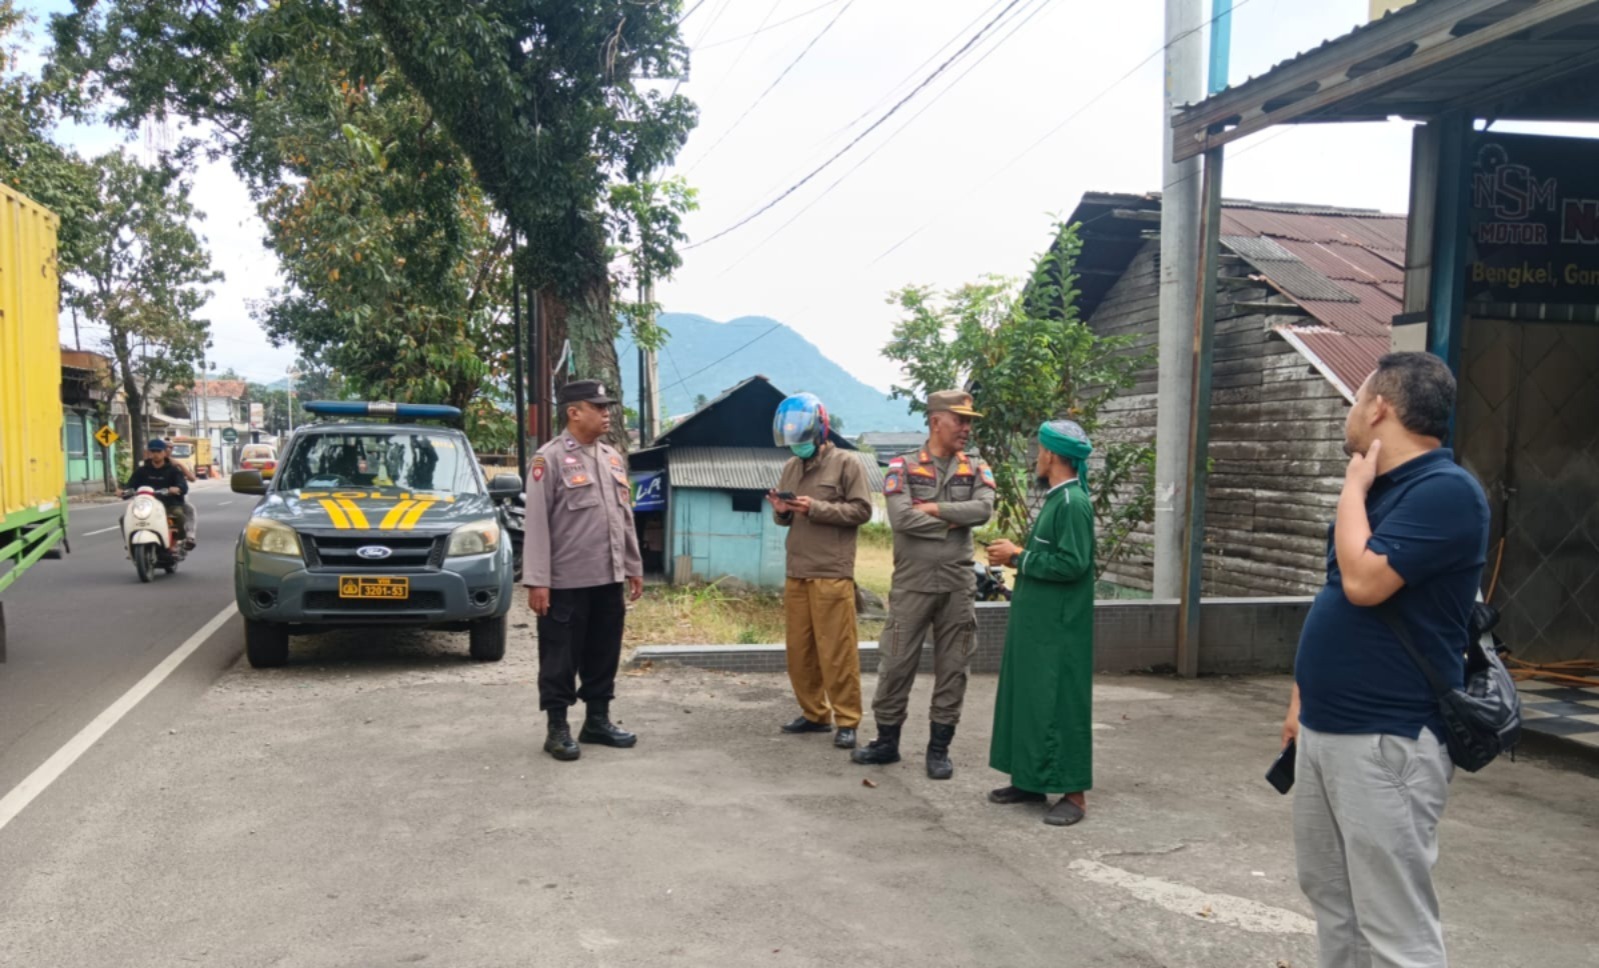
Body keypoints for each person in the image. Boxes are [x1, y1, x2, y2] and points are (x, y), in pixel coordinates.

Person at [1283, 352, 1488, 968]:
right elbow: (1331, 593)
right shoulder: (1385, 489)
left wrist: (1351, 488)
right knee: (1335, 902)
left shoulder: (1448, 492)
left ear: (1379, 406)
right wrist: (1301, 701)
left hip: (1388, 738)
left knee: (1394, 929)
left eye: (1358, 396)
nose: (1352, 410)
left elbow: (1364, 583)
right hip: (1329, 728)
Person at [853, 390, 996, 778]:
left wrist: (935, 508)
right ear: (936, 421)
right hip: (912, 585)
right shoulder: (901, 466)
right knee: (896, 663)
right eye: (960, 420)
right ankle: (886, 742)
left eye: (969, 422)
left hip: (957, 586)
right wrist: (955, 520)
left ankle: (939, 749)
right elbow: (901, 520)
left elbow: (983, 510)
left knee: (954, 667)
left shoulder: (975, 466)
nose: (967, 428)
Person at [522, 380, 645, 762]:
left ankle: (597, 720)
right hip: (566, 581)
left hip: (608, 577)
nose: (607, 412)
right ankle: (557, 728)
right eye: (598, 405)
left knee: (603, 652)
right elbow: (537, 524)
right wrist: (538, 580)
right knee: (560, 657)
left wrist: (633, 565)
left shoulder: (611, 457)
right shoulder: (549, 459)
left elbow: (624, 518)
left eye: (607, 405)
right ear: (574, 412)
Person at [985, 419, 1095, 827]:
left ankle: (1074, 794)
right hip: (1038, 624)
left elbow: (1073, 564)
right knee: (1030, 700)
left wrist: (1017, 556)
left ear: (1051, 454)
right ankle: (1030, 779)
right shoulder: (1056, 499)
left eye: (1039, 450)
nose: (1036, 457)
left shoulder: (1072, 504)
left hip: (1059, 629)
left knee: (1060, 704)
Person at [767, 392, 872, 750]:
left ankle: (847, 720)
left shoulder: (847, 463)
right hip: (797, 569)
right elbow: (784, 520)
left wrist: (816, 507)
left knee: (837, 651)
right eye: (792, 443)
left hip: (831, 571)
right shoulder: (791, 467)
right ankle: (814, 714)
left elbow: (861, 512)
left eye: (802, 441)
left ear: (820, 431)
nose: (797, 449)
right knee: (800, 651)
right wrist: (781, 509)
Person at [124, 439, 193, 549]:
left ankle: (179, 541)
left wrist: (177, 488)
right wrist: (123, 491)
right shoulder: (142, 470)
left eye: (158, 451)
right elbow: (131, 485)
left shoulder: (173, 470)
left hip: (169, 504)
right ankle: (128, 544)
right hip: (146, 505)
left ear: (165, 453)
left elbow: (183, 487)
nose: (155, 454)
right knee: (124, 518)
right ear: (149, 453)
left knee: (179, 515)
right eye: (153, 451)